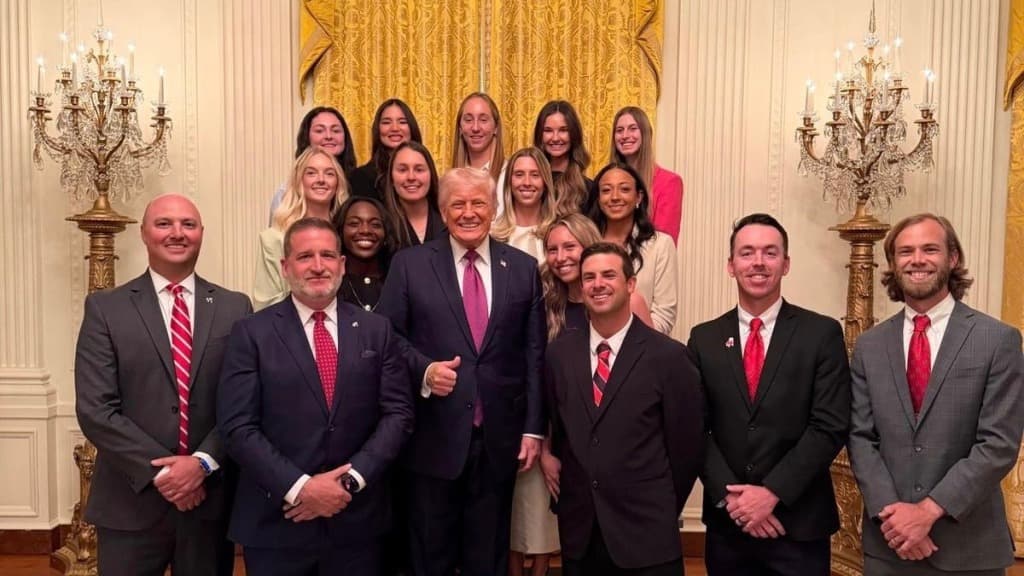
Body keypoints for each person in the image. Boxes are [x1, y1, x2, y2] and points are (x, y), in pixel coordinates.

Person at [218, 217, 414, 576]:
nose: (318, 266)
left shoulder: (377, 329)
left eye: (327, 255)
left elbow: (398, 414)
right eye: (305, 256)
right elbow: (238, 427)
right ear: (285, 267)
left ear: (342, 264)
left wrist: (349, 481)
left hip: (357, 521)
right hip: (278, 521)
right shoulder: (251, 333)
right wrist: (301, 488)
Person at [377, 167, 546, 576]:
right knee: (430, 555)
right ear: (443, 209)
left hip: (499, 439)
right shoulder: (410, 264)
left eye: (478, 203)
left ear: (493, 209)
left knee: (487, 557)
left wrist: (533, 429)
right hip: (431, 437)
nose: (469, 213)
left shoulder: (522, 267)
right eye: (458, 204)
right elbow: (387, 335)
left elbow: (534, 353)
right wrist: (424, 369)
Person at [74, 193, 252, 576]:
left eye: (188, 224)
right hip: (129, 501)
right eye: (164, 224)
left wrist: (201, 464)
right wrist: (167, 474)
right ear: (144, 234)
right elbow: (96, 408)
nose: (177, 233)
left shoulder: (235, 307)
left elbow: (243, 403)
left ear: (202, 233)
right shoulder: (106, 308)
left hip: (209, 501)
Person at [847, 213, 1024, 576]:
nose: (917, 260)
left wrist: (927, 512)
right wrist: (896, 518)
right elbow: (860, 438)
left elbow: (999, 443)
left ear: (953, 258)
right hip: (889, 542)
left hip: (968, 547)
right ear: (894, 263)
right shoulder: (869, 346)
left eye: (930, 249)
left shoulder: (998, 340)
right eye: (905, 251)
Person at [688, 213, 850, 576]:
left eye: (770, 252)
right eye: (747, 253)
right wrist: (734, 500)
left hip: (799, 524)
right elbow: (694, 427)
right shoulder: (704, 338)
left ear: (786, 263)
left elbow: (829, 425)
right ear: (731, 266)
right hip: (728, 526)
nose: (758, 262)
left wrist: (771, 494)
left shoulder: (822, 334)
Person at [544, 242, 704, 576]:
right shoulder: (559, 355)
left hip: (646, 535)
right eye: (589, 277)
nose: (597, 284)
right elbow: (561, 433)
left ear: (630, 284)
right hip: (581, 534)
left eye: (608, 275)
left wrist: (658, 504)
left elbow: (686, 449)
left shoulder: (669, 358)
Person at [254, 146, 348, 310]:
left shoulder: (347, 236)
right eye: (311, 173)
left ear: (337, 183)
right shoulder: (274, 238)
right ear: (299, 181)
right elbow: (266, 306)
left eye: (329, 173)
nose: (321, 179)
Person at [587, 162, 677, 334]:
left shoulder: (661, 244)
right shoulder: (586, 243)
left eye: (624, 189)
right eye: (606, 190)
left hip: (643, 347)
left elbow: (664, 314)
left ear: (639, 197)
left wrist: (631, 345)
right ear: (598, 199)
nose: (614, 197)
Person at [541, 213, 654, 342]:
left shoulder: (629, 301)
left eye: (569, 247)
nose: (560, 258)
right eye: (552, 250)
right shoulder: (546, 301)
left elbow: (651, 353)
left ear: (589, 246)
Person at [268, 106, 357, 223]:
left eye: (336, 131)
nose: (329, 136)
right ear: (307, 137)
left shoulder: (359, 183)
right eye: (319, 131)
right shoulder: (286, 194)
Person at [609, 106, 683, 244]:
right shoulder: (605, 182)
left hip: (649, 262)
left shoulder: (669, 182)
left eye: (632, 128)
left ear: (645, 133)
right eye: (619, 130)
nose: (625, 135)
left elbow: (665, 242)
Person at [491, 147, 558, 260]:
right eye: (519, 174)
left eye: (535, 175)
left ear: (545, 182)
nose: (527, 182)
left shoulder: (558, 233)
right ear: (509, 182)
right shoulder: (492, 235)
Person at [350, 99, 423, 201]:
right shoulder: (361, 177)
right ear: (378, 129)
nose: (395, 128)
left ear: (412, 128)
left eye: (402, 122)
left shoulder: (425, 174)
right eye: (386, 122)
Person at [333, 196, 394, 313]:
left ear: (386, 233)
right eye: (354, 224)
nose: (365, 230)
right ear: (340, 231)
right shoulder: (331, 282)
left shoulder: (397, 280)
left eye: (375, 225)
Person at [383, 141, 446, 250]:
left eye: (419, 169)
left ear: (431, 175)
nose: (411, 177)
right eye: (402, 170)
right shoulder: (381, 223)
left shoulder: (448, 219)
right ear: (391, 178)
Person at [451, 92, 507, 215]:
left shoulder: (510, 176)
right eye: (468, 120)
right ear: (460, 128)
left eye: (483, 120)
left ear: (496, 127)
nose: (475, 128)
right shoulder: (450, 180)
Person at [533, 100, 591, 214]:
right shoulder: (530, 184)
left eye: (563, 130)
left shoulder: (588, 189)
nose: (555, 138)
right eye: (548, 130)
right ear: (540, 135)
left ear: (574, 134)